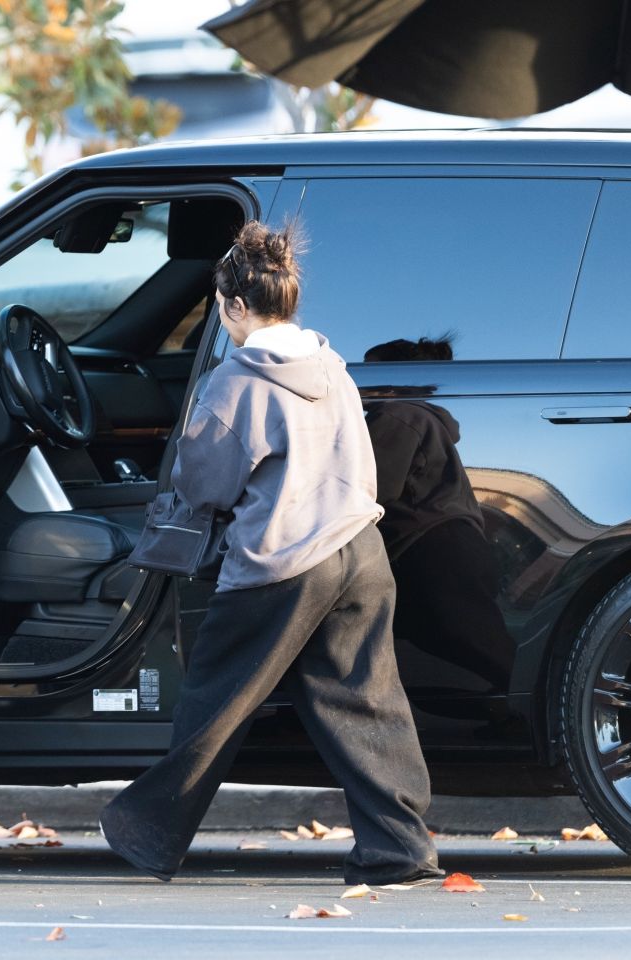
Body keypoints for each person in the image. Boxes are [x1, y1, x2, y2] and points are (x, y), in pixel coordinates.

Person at [99, 222, 441, 886]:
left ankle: (147, 832)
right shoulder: (331, 364)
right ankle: (399, 847)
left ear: (233, 305)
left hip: (281, 562)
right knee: (364, 702)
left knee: (217, 698)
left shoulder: (237, 383)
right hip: (359, 549)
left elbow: (202, 484)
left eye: (220, 312)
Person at [363, 338, 515, 692]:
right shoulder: (422, 418)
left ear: (391, 381)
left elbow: (371, 487)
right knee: (465, 638)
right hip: (455, 545)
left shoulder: (398, 415)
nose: (361, 382)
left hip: (434, 548)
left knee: (474, 640)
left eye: (369, 372)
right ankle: (512, 706)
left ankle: (530, 702)